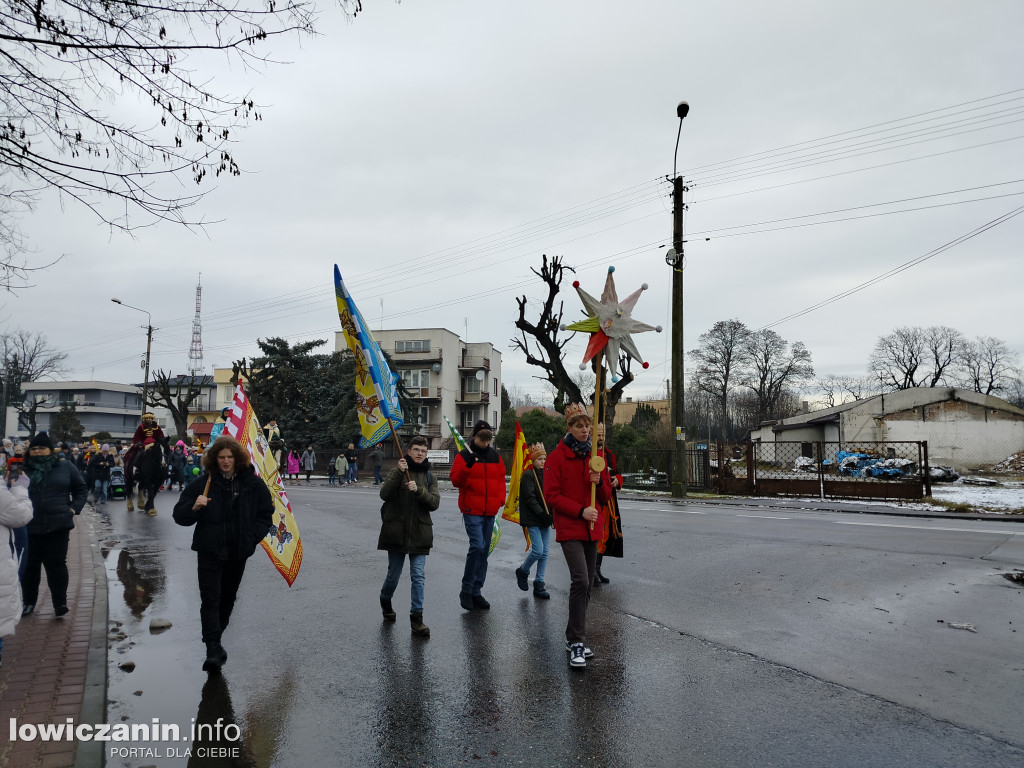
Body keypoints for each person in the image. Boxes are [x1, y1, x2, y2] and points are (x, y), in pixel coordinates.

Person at [173, 435, 274, 672]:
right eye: (221, 457)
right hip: (209, 551)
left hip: (238, 553)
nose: (226, 461)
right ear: (214, 459)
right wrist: (194, 507)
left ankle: (215, 637)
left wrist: (251, 538)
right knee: (210, 599)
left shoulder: (252, 484)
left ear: (237, 458)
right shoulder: (203, 483)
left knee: (227, 599)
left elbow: (266, 514)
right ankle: (213, 647)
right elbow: (180, 515)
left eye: (229, 457)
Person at [544, 404, 612, 669]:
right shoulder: (557, 457)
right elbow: (552, 496)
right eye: (579, 426)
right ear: (569, 428)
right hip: (571, 527)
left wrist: (600, 481)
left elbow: (606, 496)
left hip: (592, 528)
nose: (585, 430)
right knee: (581, 580)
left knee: (586, 585)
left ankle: (573, 637)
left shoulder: (596, 457)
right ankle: (577, 641)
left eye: (587, 426)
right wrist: (580, 510)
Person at [377, 436, 440, 637]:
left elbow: (434, 503)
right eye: (416, 449)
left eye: (423, 450)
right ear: (409, 451)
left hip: (420, 534)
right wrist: (398, 472)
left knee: (418, 576)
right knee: (393, 575)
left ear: (426, 453)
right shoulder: (398, 471)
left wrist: (419, 490)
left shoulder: (430, 478)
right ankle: (385, 600)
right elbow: (384, 494)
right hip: (396, 532)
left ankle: (417, 618)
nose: (420, 453)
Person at [21, 432, 88, 618]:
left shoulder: (64, 466)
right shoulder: (23, 468)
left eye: (41, 448)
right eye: (33, 449)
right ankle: (28, 602)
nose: (37, 451)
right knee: (30, 566)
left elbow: (81, 489)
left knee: (56, 565)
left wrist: (73, 509)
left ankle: (60, 603)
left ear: (51, 450)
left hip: (58, 523)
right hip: (29, 523)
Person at [450, 420, 506, 611]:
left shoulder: (495, 456)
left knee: (484, 551)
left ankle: (476, 591)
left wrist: (500, 500)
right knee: (477, 545)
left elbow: (500, 480)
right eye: (482, 439)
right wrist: (468, 465)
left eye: (488, 439)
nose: (485, 443)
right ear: (474, 437)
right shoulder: (464, 456)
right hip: (471, 509)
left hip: (490, 510)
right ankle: (466, 590)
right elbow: (456, 481)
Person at [514, 442, 553, 600]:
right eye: (540, 459)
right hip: (533, 518)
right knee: (537, 550)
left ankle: (540, 582)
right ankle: (523, 570)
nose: (543, 462)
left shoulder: (547, 474)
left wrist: (551, 514)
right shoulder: (529, 475)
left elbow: (550, 495)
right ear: (533, 460)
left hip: (546, 518)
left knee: (544, 553)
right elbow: (530, 499)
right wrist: (542, 514)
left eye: (544, 459)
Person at [593, 423, 624, 585]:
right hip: (596, 500)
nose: (601, 439)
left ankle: (597, 569)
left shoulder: (609, 454)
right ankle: (592, 571)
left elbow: (617, 473)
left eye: (602, 435)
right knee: (598, 535)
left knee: (605, 536)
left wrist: (617, 480)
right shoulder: (589, 454)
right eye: (598, 435)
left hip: (610, 500)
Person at [134, 437, 165, 516]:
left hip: (156, 445)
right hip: (146, 445)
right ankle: (137, 469)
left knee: (163, 454)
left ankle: (165, 471)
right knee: (140, 454)